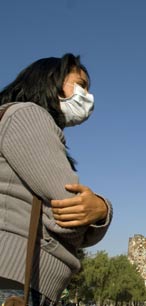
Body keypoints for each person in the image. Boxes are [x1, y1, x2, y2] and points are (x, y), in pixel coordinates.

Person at [0, 54, 112, 306]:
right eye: (81, 85)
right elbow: (70, 213)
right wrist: (102, 209)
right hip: (16, 279)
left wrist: (96, 213)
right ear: (52, 80)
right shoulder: (28, 115)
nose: (87, 96)